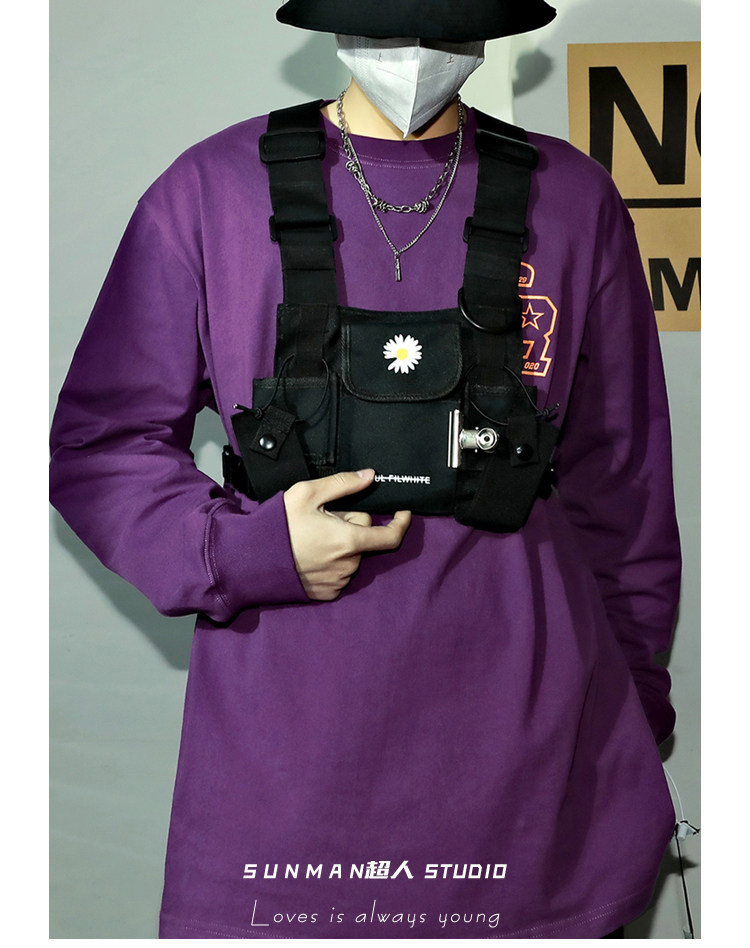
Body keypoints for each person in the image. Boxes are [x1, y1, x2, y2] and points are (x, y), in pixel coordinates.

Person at [49, 0, 682, 939]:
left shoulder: (573, 198)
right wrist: (249, 552)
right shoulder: (211, 191)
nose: (416, 39)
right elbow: (102, 446)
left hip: (540, 778)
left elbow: (621, 484)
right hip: (284, 786)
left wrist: (635, 708)